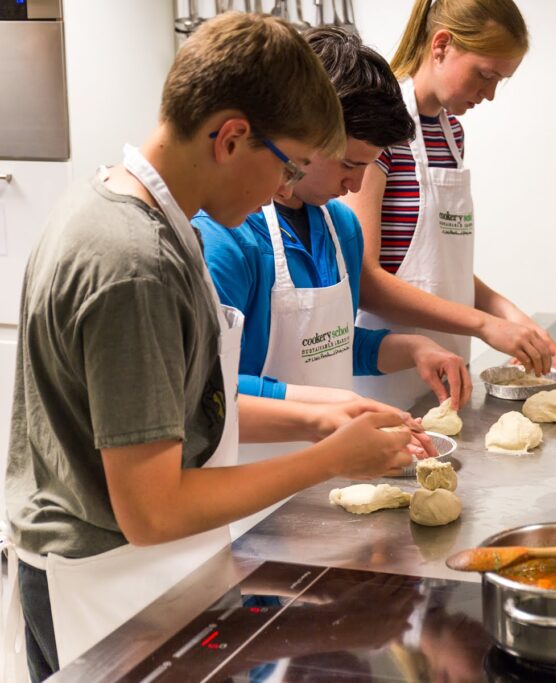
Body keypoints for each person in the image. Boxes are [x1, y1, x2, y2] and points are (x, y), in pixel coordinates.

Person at [3, 14, 421, 681]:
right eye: (290, 167)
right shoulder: (132, 262)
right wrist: (328, 458)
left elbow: (192, 410)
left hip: (154, 573)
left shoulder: (141, 220)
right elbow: (152, 509)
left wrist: (324, 417)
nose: (284, 192)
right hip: (110, 587)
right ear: (230, 138)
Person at [195, 27, 472, 409]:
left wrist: (412, 348)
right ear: (306, 134)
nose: (356, 184)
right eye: (349, 164)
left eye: (368, 167)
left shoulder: (341, 228)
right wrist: (328, 412)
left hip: (331, 464)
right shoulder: (227, 239)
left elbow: (331, 347)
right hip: (251, 464)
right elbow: (209, 391)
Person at [344, 0, 556, 410]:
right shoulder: (378, 131)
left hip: (446, 369)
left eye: (501, 81)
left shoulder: (452, 136)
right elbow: (366, 281)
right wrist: (484, 325)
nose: (491, 94)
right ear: (441, 45)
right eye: (486, 75)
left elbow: (443, 268)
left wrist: (508, 314)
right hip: (383, 380)